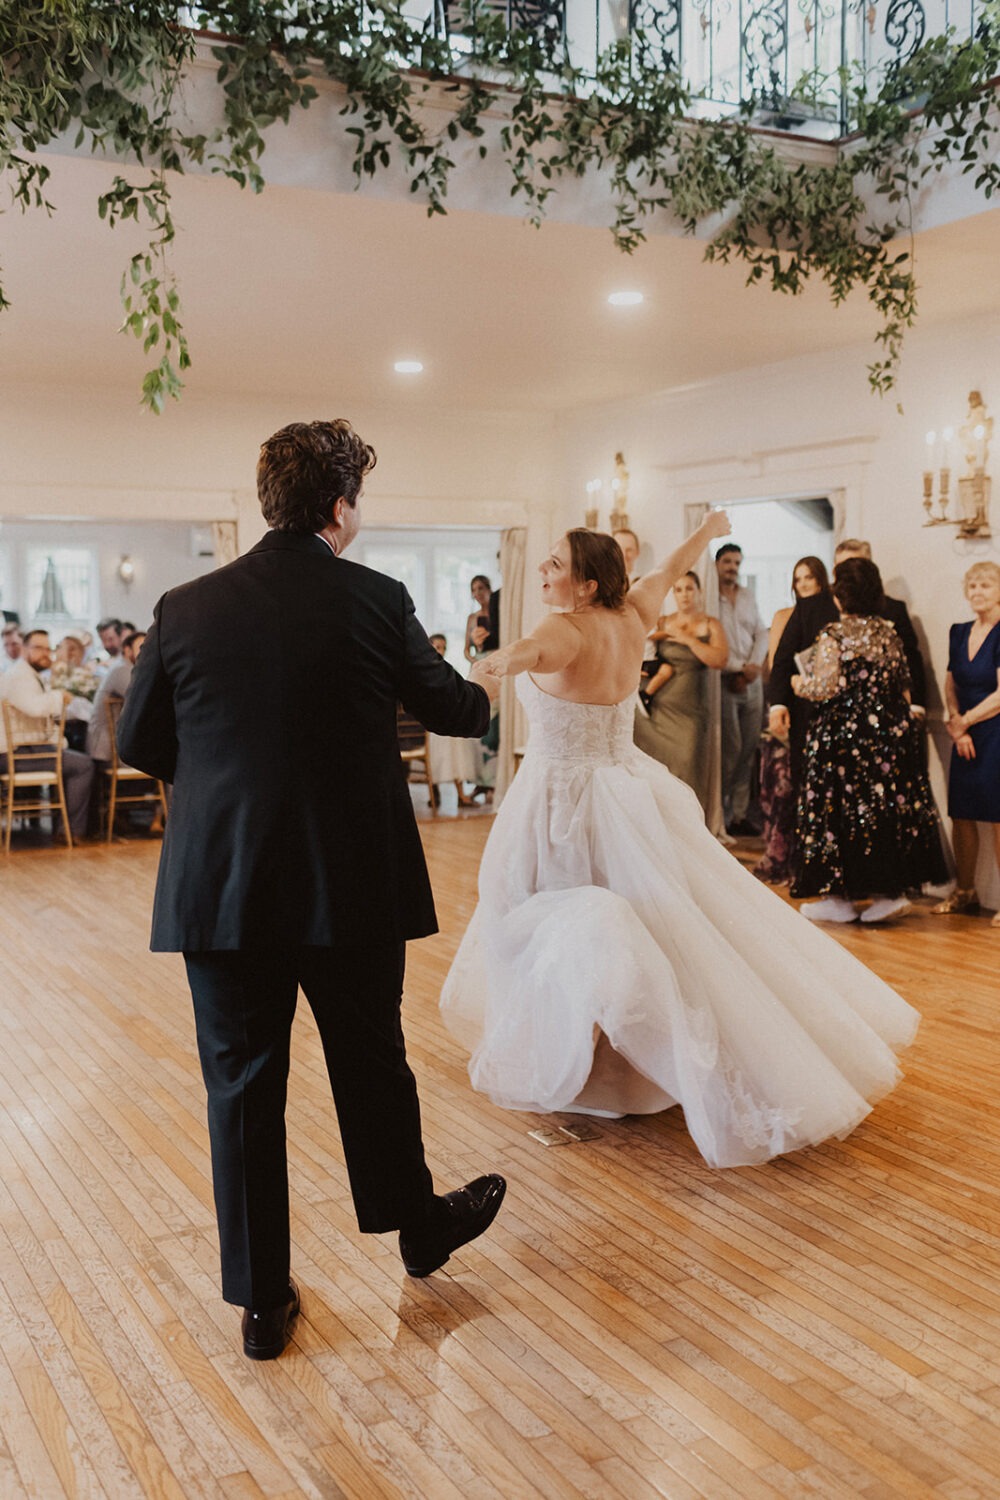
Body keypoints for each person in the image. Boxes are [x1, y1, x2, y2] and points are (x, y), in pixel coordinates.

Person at [118, 419, 506, 1362]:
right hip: (350, 884)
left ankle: (261, 1301)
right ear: (340, 506)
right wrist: (489, 677)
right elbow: (458, 709)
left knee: (242, 1089)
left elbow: (137, 745)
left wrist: (218, 785)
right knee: (371, 1061)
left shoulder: (185, 606)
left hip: (225, 887)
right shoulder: (376, 599)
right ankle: (416, 1226)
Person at [440, 518, 919, 1168]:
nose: (545, 573)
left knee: (544, 919)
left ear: (585, 583)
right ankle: (617, 1070)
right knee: (653, 929)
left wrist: (490, 666)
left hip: (562, 804)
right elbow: (666, 571)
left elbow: (525, 653)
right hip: (626, 790)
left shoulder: (564, 627)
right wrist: (704, 531)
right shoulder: (633, 612)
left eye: (555, 564)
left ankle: (599, 1072)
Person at [791, 558, 945, 924]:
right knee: (878, 811)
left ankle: (839, 899)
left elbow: (825, 686)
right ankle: (885, 893)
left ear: (840, 596)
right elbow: (902, 682)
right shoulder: (888, 633)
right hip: (884, 738)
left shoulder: (834, 635)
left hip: (841, 740)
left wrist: (799, 685)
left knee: (837, 812)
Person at [769, 538, 927, 783]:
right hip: (817, 720)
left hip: (875, 724)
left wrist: (797, 683)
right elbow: (783, 658)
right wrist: (778, 704)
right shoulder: (811, 607)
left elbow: (909, 663)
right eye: (842, 568)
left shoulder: (889, 613)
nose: (848, 575)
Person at [754, 557, 830, 884]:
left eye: (809, 577)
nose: (803, 584)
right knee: (784, 786)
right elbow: (778, 663)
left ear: (821, 580)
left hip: (824, 707)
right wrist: (778, 705)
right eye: (798, 579)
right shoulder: (786, 615)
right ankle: (789, 858)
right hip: (793, 708)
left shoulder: (831, 613)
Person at [932, 560, 1000, 925]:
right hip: (964, 733)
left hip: (994, 731)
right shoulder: (958, 632)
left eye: (986, 586)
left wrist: (966, 722)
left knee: (997, 815)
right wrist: (957, 727)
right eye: (973, 586)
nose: (978, 592)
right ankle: (965, 891)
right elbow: (950, 683)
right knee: (961, 813)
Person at [633, 570, 727, 810]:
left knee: (687, 768)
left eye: (689, 588)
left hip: (690, 712)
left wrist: (688, 639)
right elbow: (638, 645)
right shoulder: (663, 622)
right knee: (655, 773)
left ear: (699, 592)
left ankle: (690, 832)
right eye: (678, 589)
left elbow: (719, 660)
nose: (684, 595)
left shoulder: (710, 624)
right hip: (654, 709)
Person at [0, 628, 95, 841]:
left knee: (73, 757)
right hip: (15, 754)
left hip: (26, 748)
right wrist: (59, 696)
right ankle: (69, 831)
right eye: (38, 648)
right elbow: (34, 708)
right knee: (84, 766)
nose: (46, 653)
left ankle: (64, 827)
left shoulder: (26, 673)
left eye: (48, 648)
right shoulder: (19, 676)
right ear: (24, 649)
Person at [716, 543, 768, 835]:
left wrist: (753, 666)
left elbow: (761, 633)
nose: (732, 567)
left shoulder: (748, 595)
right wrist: (737, 668)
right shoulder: (710, 599)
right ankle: (721, 815)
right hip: (724, 680)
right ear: (717, 564)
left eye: (737, 562)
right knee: (730, 749)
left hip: (752, 680)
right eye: (727, 561)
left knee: (749, 748)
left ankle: (739, 816)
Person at [426, 633, 477, 807]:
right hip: (432, 720)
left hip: (449, 717)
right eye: (437, 647)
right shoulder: (424, 670)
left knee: (457, 747)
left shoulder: (449, 669)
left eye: (444, 647)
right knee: (436, 751)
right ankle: (434, 792)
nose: (441, 651)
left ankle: (461, 795)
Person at [87, 630, 146, 762]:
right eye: (141, 648)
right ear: (127, 650)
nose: (146, 654)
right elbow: (143, 699)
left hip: (114, 744)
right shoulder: (122, 670)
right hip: (107, 748)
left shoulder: (125, 667)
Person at [464, 576, 496, 661]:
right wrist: (475, 662)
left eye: (480, 588)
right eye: (473, 590)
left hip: (497, 662)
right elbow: (466, 650)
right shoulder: (472, 618)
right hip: (479, 663)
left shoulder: (499, 615)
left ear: (489, 589)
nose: (477, 593)